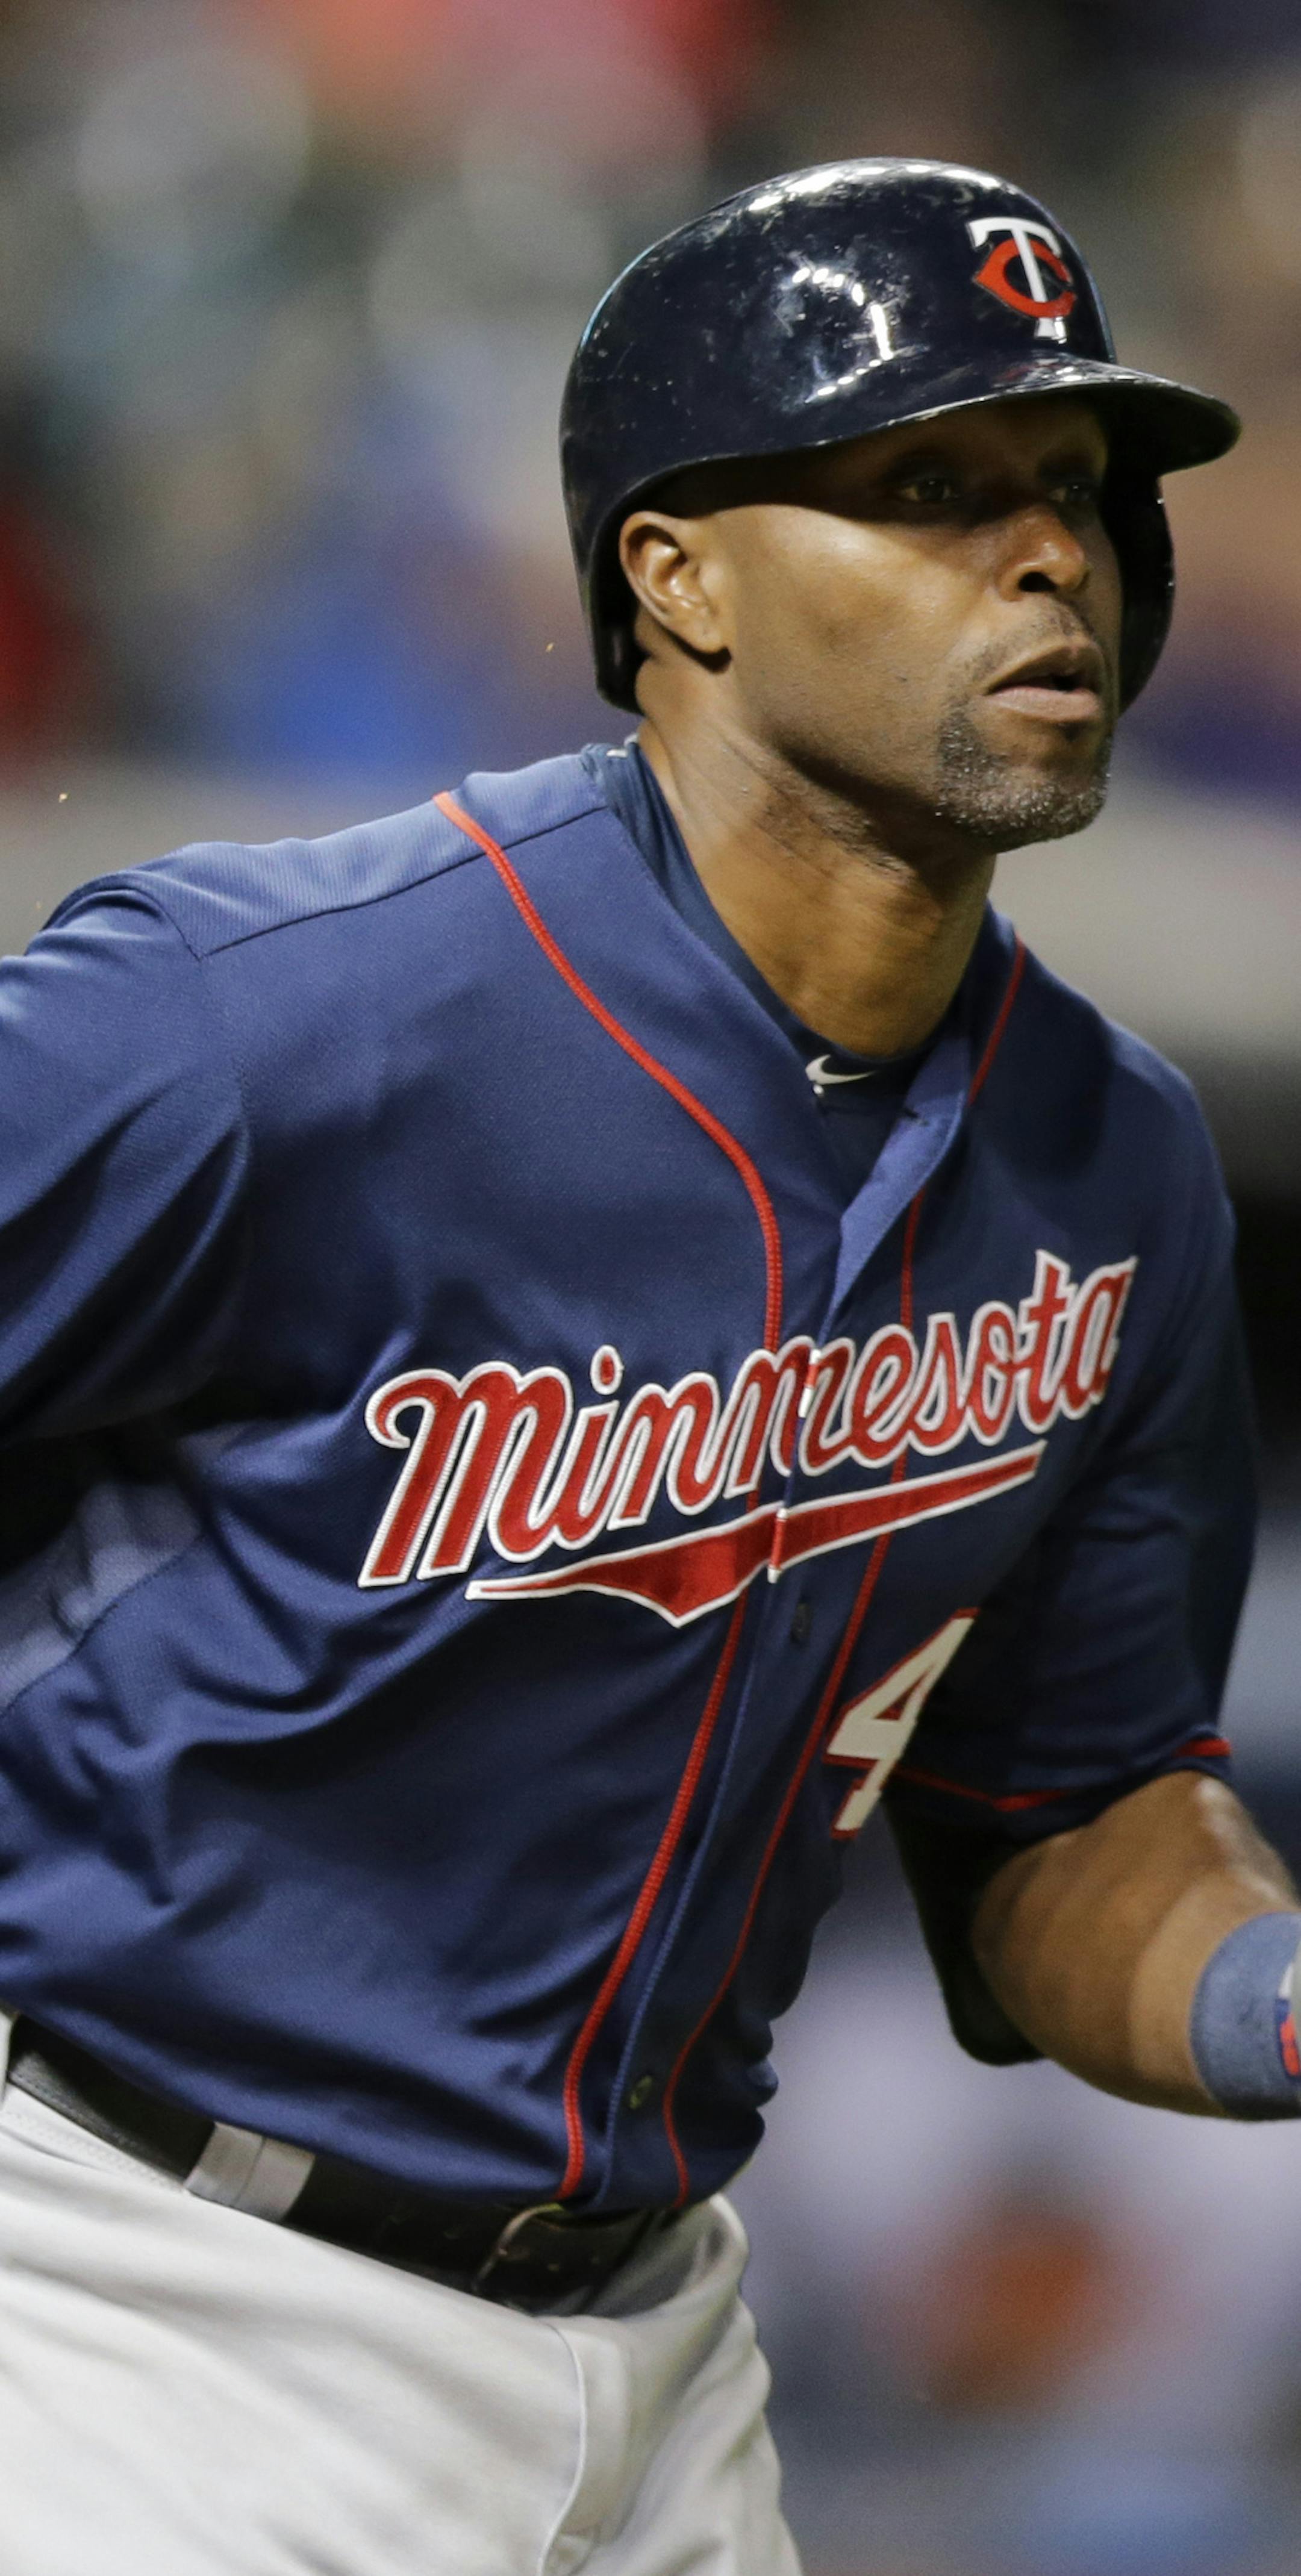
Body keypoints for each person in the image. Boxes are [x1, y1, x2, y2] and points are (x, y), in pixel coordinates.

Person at [0, 157, 1291, 2576]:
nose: (1051, 556)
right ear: (674, 577)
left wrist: (1283, 1996)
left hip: (669, 2350)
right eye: (934, 484)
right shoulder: (275, 1018)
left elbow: (1073, 1815)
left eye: (1077, 488)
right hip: (129, 2294)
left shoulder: (1113, 1164)